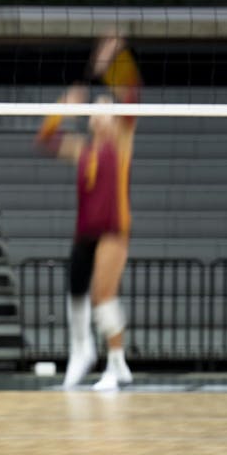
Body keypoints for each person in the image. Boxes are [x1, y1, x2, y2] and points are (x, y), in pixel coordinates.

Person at [36, 35, 141, 391]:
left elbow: (132, 91)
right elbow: (45, 140)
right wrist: (62, 107)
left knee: (103, 294)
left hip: (114, 229)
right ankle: (82, 353)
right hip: (85, 230)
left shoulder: (122, 142)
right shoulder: (82, 148)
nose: (100, 110)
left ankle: (115, 363)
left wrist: (114, 60)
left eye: (106, 106)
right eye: (95, 107)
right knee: (76, 291)